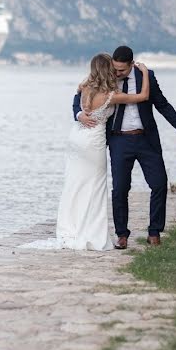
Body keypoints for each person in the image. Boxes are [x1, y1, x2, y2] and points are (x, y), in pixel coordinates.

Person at [74, 46, 176, 249]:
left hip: (146, 139)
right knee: (120, 188)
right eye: (115, 69)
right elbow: (79, 94)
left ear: (131, 64)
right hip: (119, 140)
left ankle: (154, 232)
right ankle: (122, 235)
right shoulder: (106, 75)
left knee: (159, 184)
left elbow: (162, 104)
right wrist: (79, 114)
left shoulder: (146, 76)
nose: (117, 73)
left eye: (121, 70)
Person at [52, 54, 151, 250]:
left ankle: (69, 228)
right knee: (95, 187)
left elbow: (77, 100)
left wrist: (80, 114)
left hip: (76, 139)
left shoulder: (85, 87)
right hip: (93, 142)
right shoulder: (111, 95)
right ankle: (91, 232)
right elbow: (143, 96)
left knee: (75, 184)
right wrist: (145, 73)